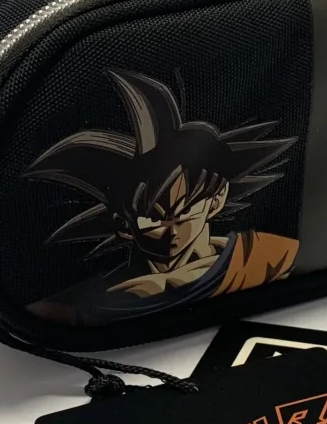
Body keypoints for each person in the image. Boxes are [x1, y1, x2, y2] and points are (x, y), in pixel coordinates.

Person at [24, 70, 299, 324]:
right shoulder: (85, 300)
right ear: (123, 225)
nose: (171, 230)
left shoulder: (265, 257)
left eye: (184, 212)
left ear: (216, 200)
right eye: (153, 219)